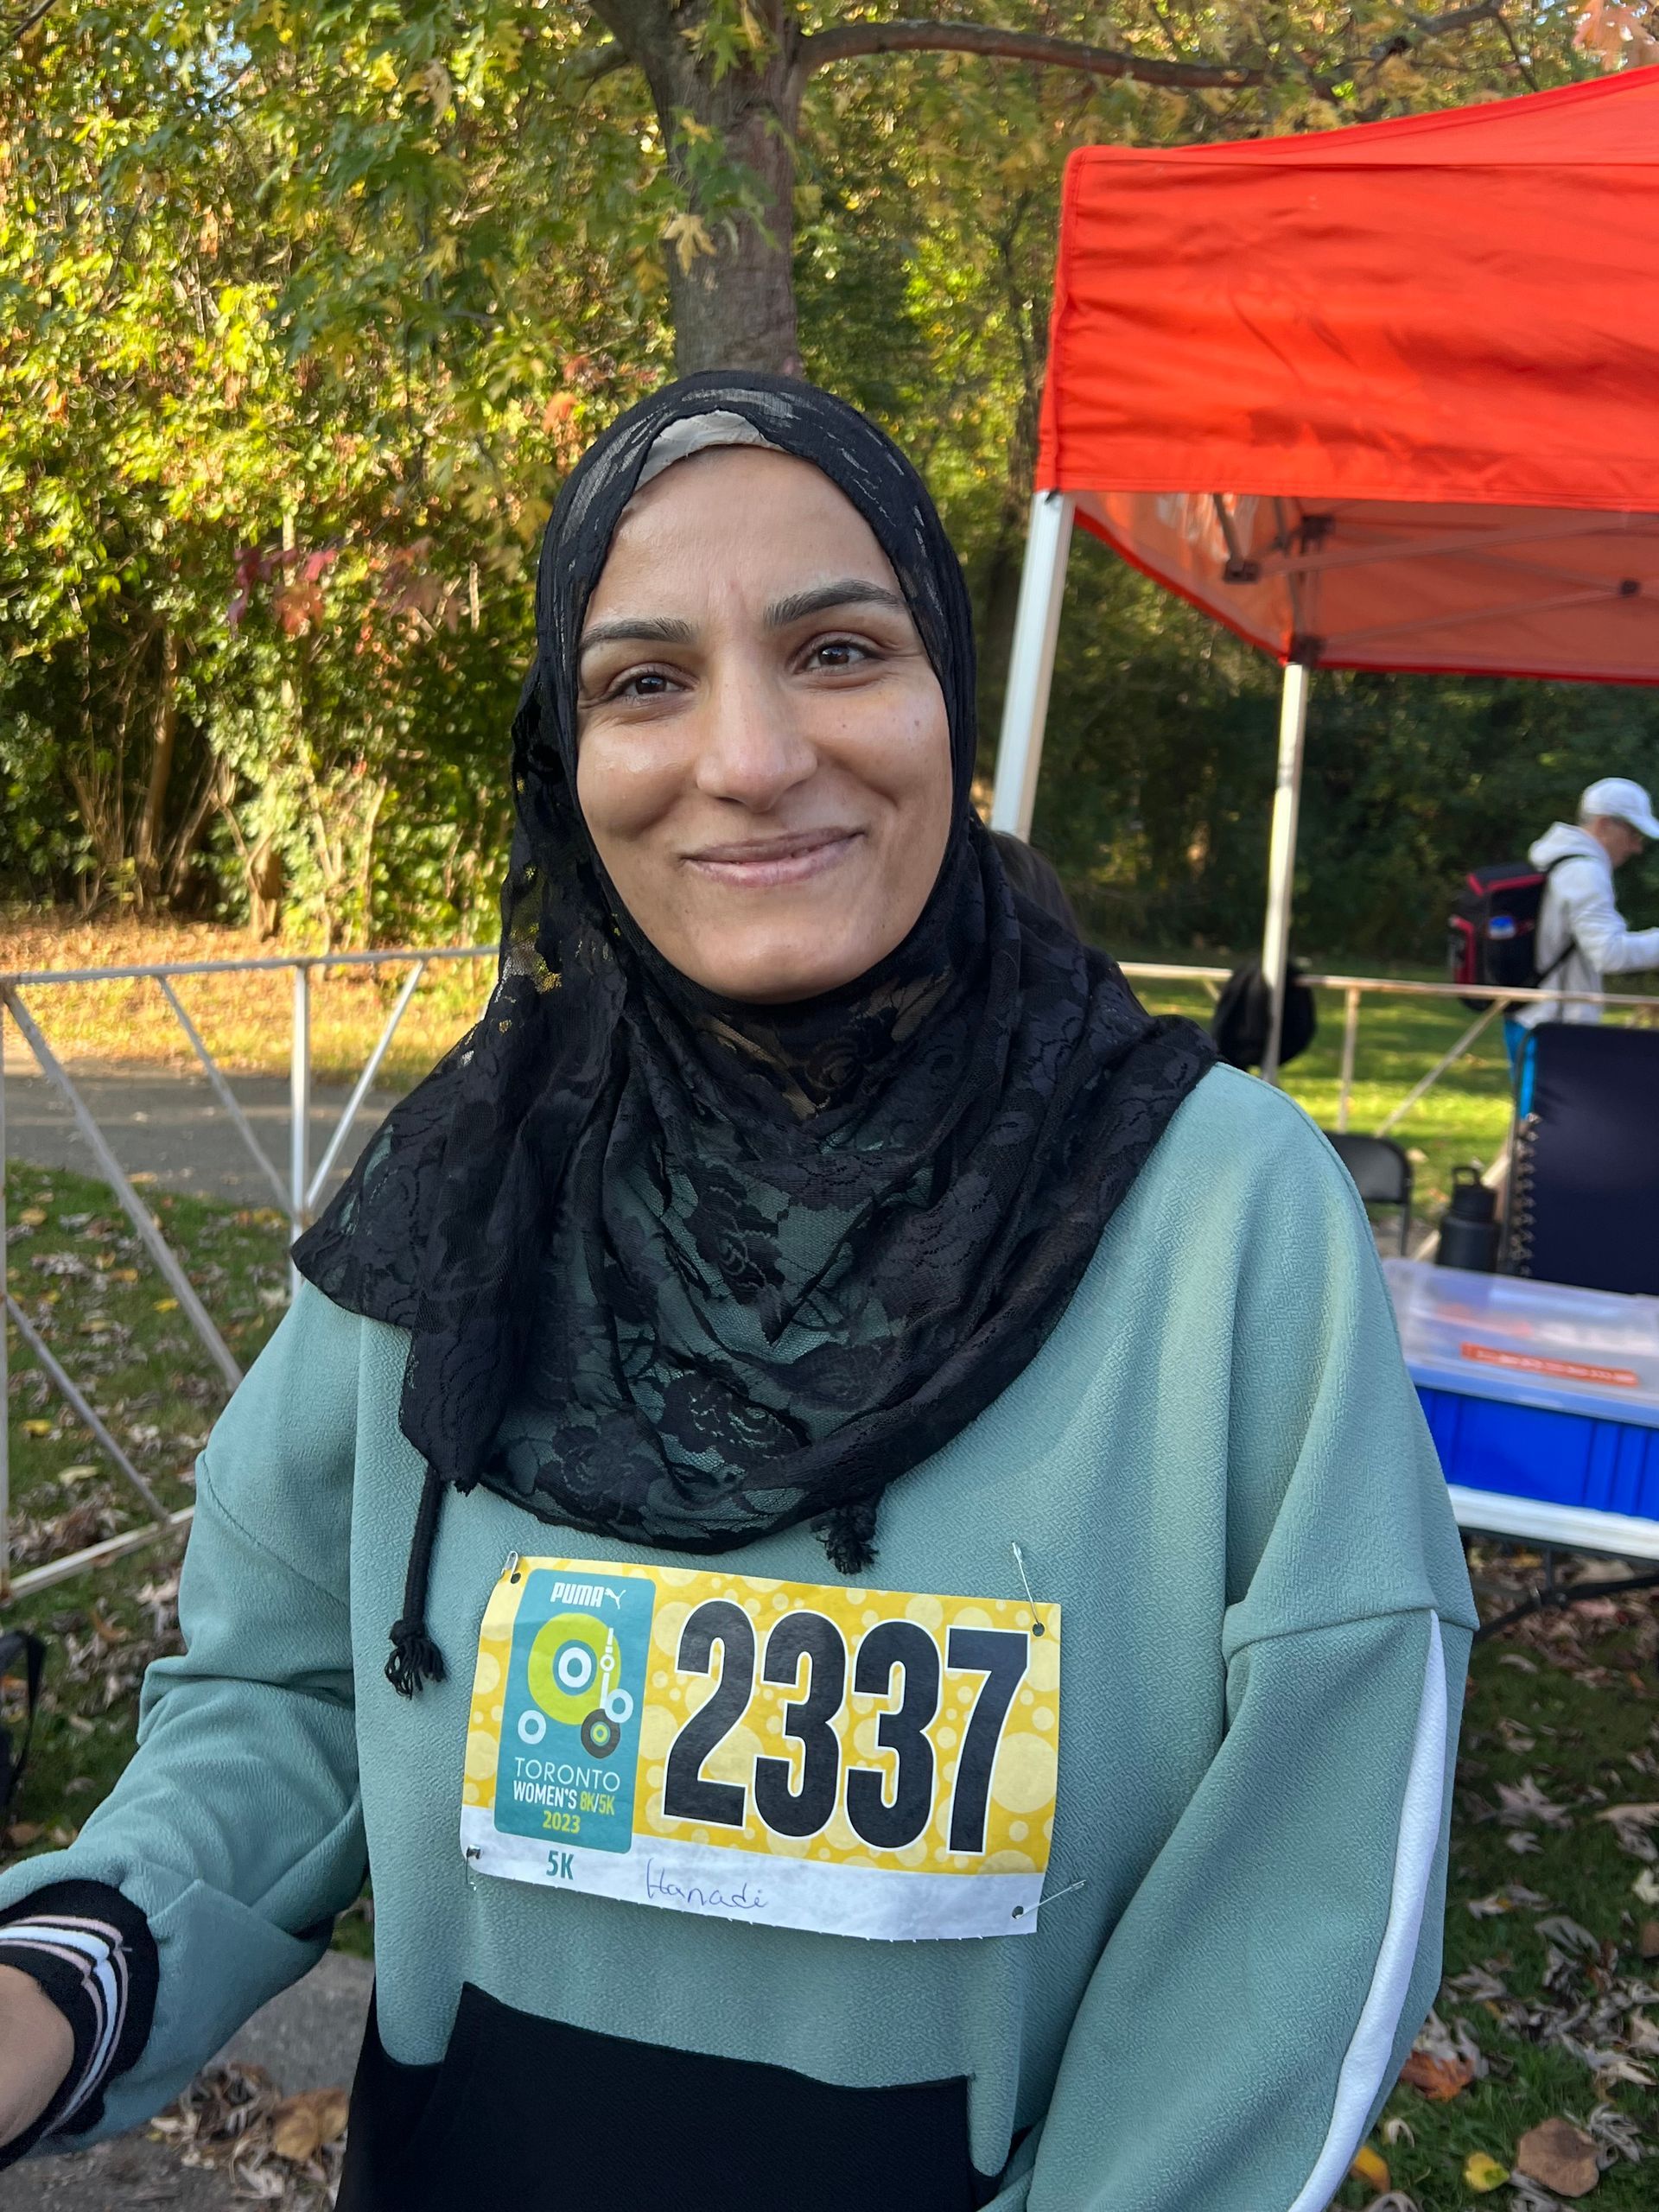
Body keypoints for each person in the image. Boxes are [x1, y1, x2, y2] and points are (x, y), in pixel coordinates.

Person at [0, 375, 1475, 2212]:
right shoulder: (466, 1187)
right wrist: (62, 1972)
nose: (753, 754)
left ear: (950, 695)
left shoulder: (1221, 1214)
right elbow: (288, 1685)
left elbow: (1304, 1903)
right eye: (643, 681)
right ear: (569, 752)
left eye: (838, 648)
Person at [1505, 775, 1659, 1080]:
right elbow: (1609, 953)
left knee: (1532, 1123)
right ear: (1604, 824)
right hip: (1557, 1028)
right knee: (1550, 1124)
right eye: (1632, 833)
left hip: (1532, 1018)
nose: (1636, 847)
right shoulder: (1584, 872)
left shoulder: (1558, 860)